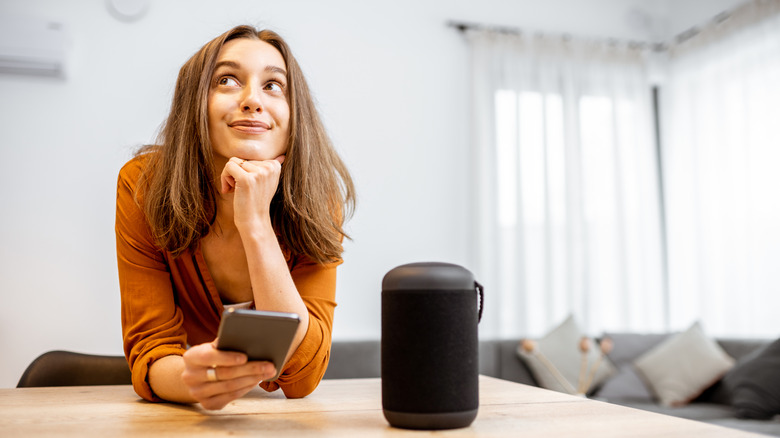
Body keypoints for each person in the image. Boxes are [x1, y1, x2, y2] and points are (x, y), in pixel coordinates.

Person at [115, 25, 355, 410]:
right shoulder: (143, 187)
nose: (252, 101)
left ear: (295, 117)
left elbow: (302, 374)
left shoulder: (319, 199)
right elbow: (152, 351)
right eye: (227, 80)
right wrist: (193, 383)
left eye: (273, 85)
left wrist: (256, 224)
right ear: (195, 105)